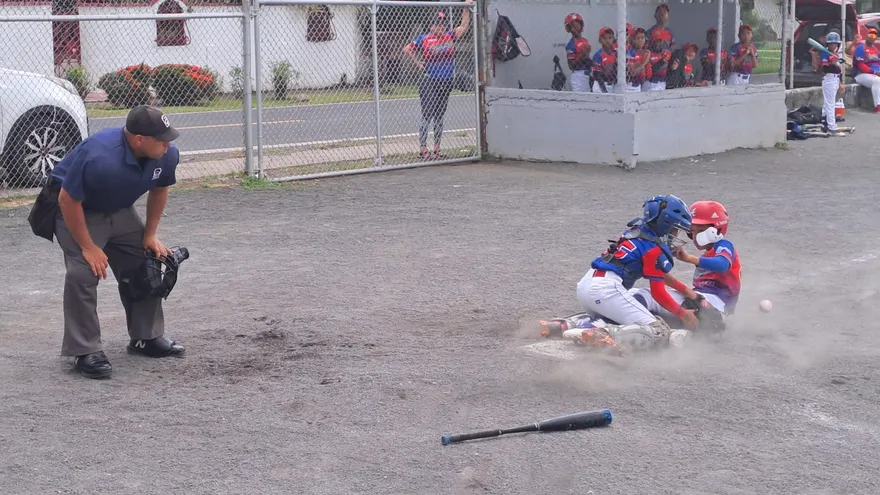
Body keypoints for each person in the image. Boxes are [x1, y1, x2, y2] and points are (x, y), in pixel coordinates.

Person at [42, 105, 185, 379]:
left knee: (147, 261)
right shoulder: (99, 154)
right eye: (162, 138)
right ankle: (85, 350)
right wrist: (88, 247)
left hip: (118, 209)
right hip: (75, 209)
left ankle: (146, 337)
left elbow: (160, 190)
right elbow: (67, 199)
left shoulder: (167, 155)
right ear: (139, 139)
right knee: (83, 271)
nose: (169, 143)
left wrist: (150, 235)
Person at [543, 195, 699, 352]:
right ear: (664, 225)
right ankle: (602, 334)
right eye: (675, 229)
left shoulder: (635, 233)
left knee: (617, 316)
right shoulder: (653, 249)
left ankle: (562, 325)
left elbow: (658, 273)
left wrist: (687, 292)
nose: (676, 234)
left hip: (587, 284)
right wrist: (683, 314)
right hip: (606, 289)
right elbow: (658, 293)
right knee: (659, 331)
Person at [628, 200, 742, 333]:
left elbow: (722, 265)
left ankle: (637, 329)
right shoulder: (708, 253)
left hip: (715, 304)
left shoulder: (724, 245)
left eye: (700, 230)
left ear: (716, 230)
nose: (694, 236)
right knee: (633, 294)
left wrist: (689, 259)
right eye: (692, 231)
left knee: (645, 296)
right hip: (701, 301)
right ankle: (670, 333)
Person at [403, 1, 473, 160]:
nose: (440, 27)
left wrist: (466, 8)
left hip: (445, 81)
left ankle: (437, 149)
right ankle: (422, 148)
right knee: (427, 115)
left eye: (443, 25)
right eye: (437, 25)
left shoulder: (450, 36)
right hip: (430, 82)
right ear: (431, 26)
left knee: (440, 116)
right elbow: (407, 49)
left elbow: (464, 26)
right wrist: (418, 63)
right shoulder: (425, 38)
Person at [811, 31, 844, 132]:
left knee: (827, 104)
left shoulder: (834, 54)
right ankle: (832, 126)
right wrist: (833, 63)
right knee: (830, 104)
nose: (833, 45)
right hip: (829, 80)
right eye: (831, 43)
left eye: (835, 43)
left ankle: (824, 122)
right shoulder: (825, 53)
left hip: (835, 79)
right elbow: (825, 69)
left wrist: (840, 84)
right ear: (827, 44)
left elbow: (838, 72)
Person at [852, 27, 880, 113]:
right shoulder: (861, 48)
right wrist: (875, 72)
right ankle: (878, 106)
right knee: (877, 81)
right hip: (860, 74)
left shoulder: (875, 49)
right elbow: (861, 66)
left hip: (874, 74)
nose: (872, 37)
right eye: (870, 35)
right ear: (866, 36)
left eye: (874, 36)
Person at [564, 13, 592, 92]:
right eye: (572, 26)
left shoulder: (585, 41)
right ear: (568, 29)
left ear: (581, 25)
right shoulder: (571, 44)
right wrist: (582, 54)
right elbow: (571, 66)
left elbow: (587, 60)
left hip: (587, 74)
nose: (575, 28)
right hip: (578, 75)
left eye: (576, 25)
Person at [591, 27, 618, 93]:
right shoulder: (598, 55)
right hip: (600, 85)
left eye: (610, 38)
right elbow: (597, 75)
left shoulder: (615, 54)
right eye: (604, 38)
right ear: (600, 40)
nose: (607, 40)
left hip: (612, 85)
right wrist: (604, 91)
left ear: (613, 39)